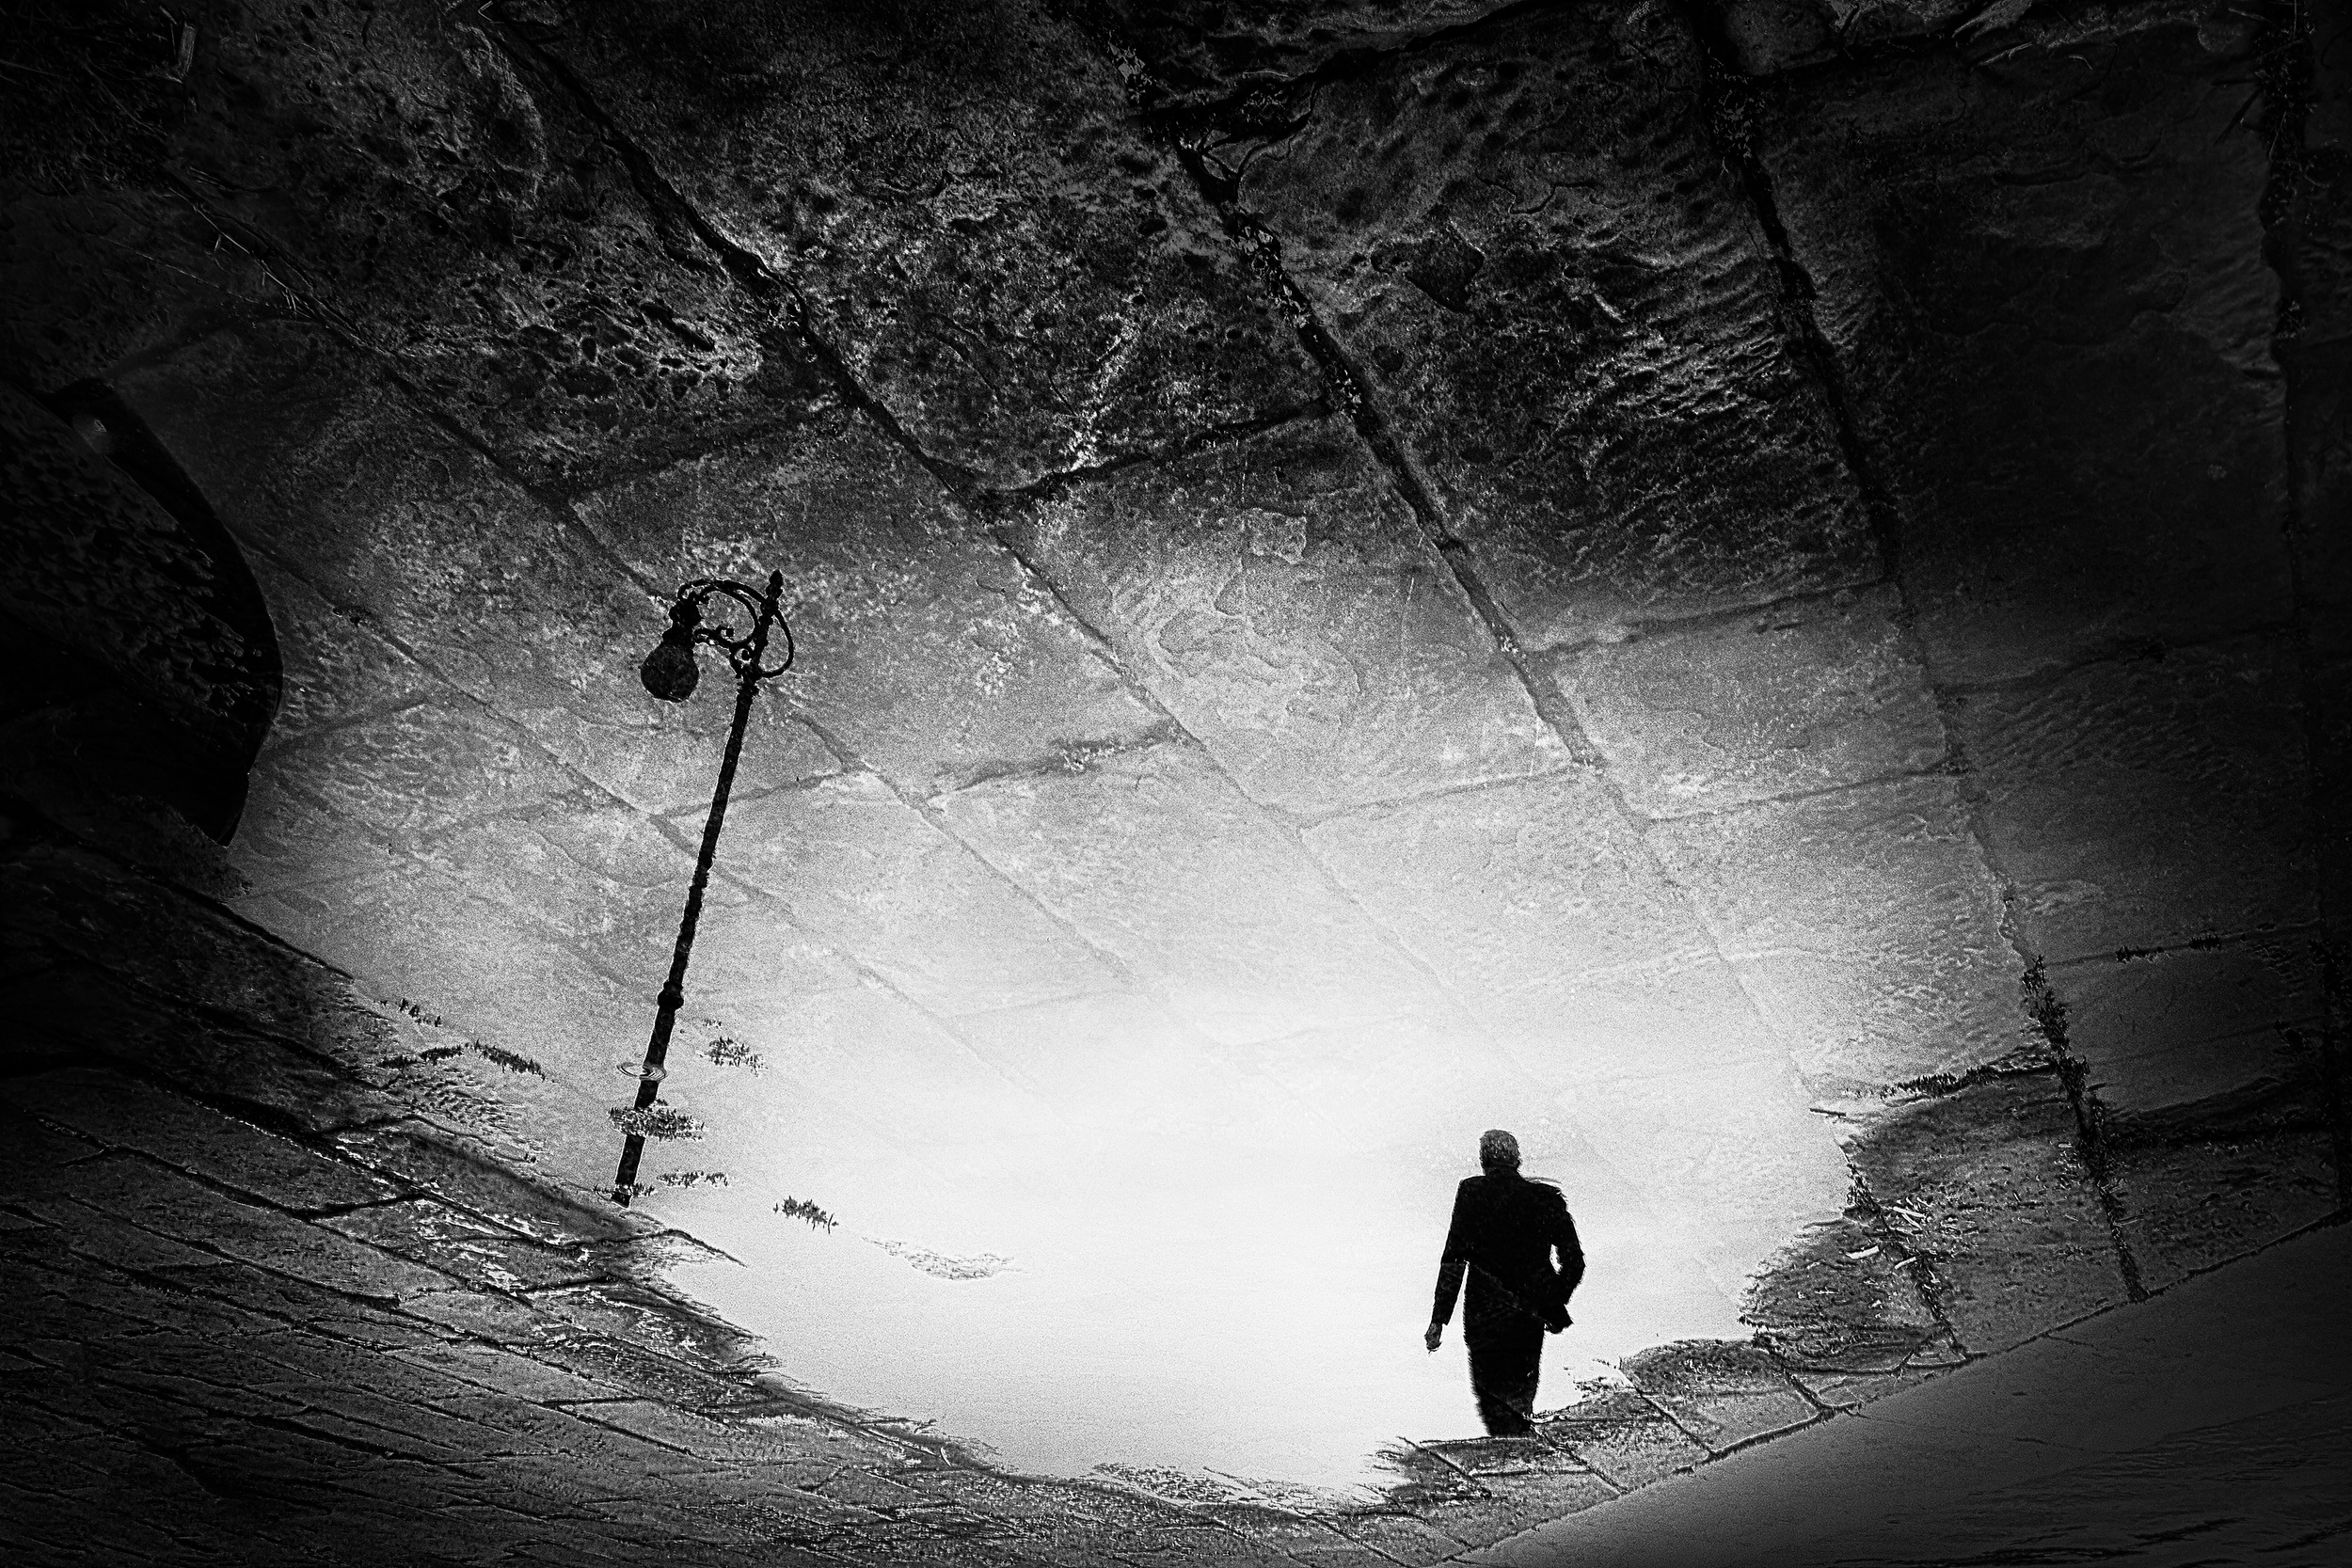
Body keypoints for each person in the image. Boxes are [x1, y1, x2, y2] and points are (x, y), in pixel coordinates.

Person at [1423, 1129, 1583, 1436]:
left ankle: (1508, 1446)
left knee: (1491, 1401)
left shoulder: (1471, 1193)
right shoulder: (1545, 1199)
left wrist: (1438, 1319)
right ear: (1517, 1160)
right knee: (1520, 1398)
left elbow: (1454, 1260)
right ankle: (1519, 1446)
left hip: (1484, 1316)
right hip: (1529, 1314)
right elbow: (1574, 1261)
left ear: (1483, 1161)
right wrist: (1553, 1300)